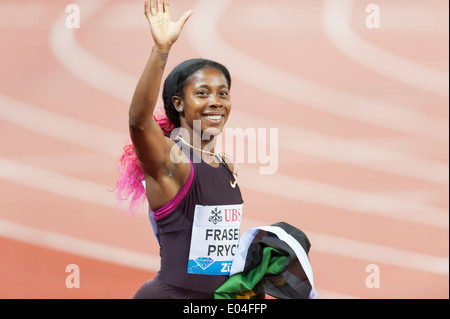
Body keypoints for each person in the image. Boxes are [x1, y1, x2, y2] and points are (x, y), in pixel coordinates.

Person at [116, 0, 242, 299]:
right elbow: (138, 121)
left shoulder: (223, 166)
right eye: (202, 93)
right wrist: (161, 49)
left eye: (222, 93)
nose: (216, 101)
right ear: (178, 103)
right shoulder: (172, 162)